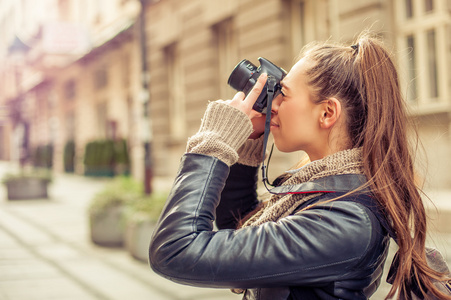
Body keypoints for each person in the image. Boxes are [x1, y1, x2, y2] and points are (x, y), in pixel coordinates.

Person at [149, 33, 451, 299]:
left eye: (284, 93)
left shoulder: (345, 221)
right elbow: (238, 229)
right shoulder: (328, 193)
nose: (274, 104)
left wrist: (214, 144)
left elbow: (176, 251)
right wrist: (246, 147)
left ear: (327, 113)